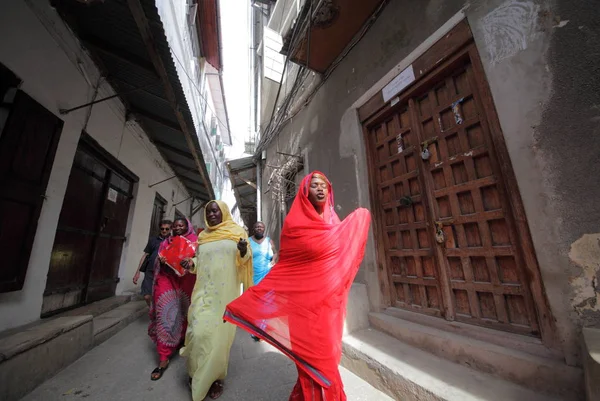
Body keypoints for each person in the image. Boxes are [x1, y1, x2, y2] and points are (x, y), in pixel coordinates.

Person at [224, 171, 371, 401]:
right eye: (314, 185)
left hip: (329, 308)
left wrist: (361, 216)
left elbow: (343, 256)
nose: (321, 189)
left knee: (328, 360)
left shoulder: (335, 223)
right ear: (305, 191)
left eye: (324, 185)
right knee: (315, 363)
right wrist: (244, 305)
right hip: (303, 310)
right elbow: (286, 270)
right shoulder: (294, 226)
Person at [180, 200, 253, 400]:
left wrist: (243, 250)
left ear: (224, 213)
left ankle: (216, 378)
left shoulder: (236, 232)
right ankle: (196, 373)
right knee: (197, 333)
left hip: (225, 296)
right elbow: (200, 261)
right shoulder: (203, 237)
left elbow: (245, 259)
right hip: (202, 293)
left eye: (216, 211)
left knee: (220, 339)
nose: (212, 214)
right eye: (209, 211)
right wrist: (191, 263)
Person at [148, 217, 197, 381]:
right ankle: (163, 357)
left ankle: (181, 339)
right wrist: (161, 262)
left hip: (186, 281)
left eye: (181, 225)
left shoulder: (196, 242)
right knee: (165, 313)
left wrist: (191, 262)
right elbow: (157, 262)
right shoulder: (166, 242)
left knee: (184, 313)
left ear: (187, 227)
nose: (177, 228)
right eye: (175, 226)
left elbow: (200, 262)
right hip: (166, 279)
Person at [248, 221, 277, 341]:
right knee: (256, 303)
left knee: (267, 302)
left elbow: (275, 253)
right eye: (257, 226)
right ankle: (255, 328)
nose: (259, 228)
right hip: (254, 276)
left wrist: (274, 260)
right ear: (253, 229)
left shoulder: (269, 241)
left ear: (264, 229)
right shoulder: (248, 241)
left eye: (261, 227)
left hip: (267, 275)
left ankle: (264, 328)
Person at [133, 220, 172, 306]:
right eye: (162, 228)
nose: (164, 230)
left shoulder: (172, 241)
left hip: (163, 272)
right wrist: (137, 272)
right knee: (147, 296)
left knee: (160, 295)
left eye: (167, 229)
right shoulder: (153, 240)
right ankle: (152, 310)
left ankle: (156, 313)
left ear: (170, 229)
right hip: (150, 271)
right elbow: (145, 255)